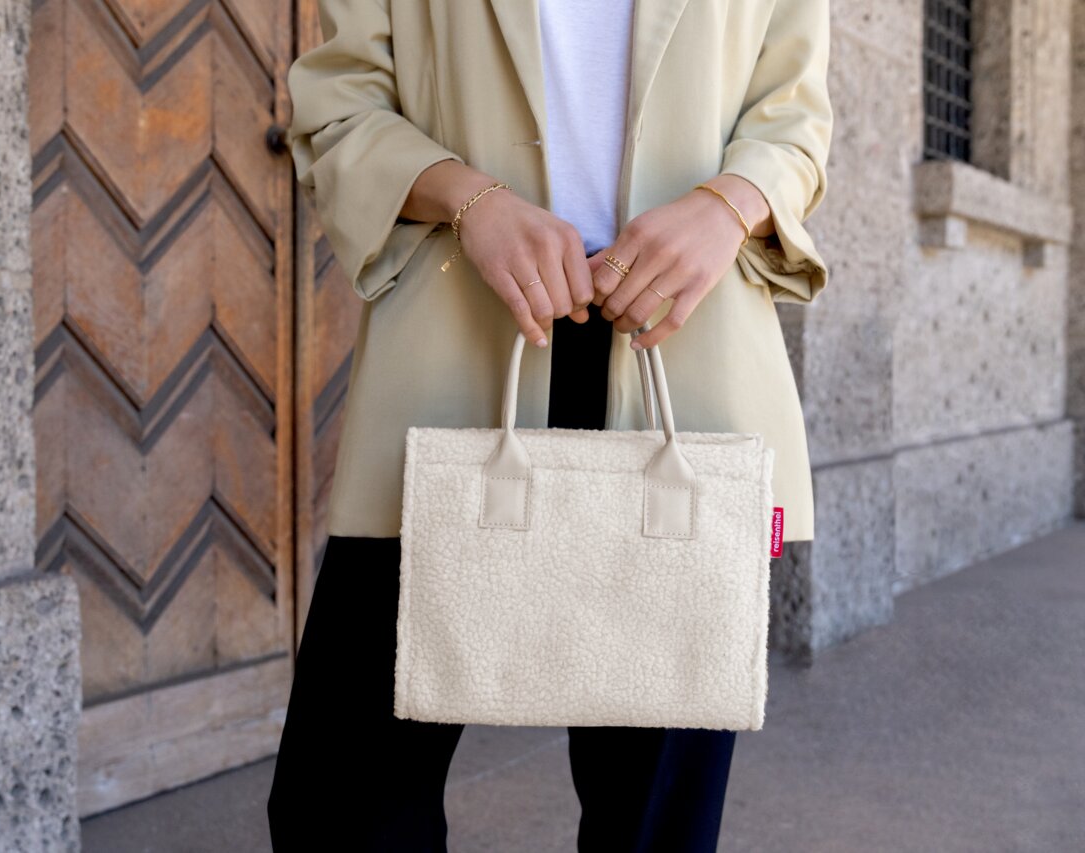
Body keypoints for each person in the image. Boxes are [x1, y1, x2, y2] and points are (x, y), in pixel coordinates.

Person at [269, 1, 833, 850]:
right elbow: (339, 104)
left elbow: (794, 118)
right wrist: (471, 200)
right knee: (340, 795)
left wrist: (727, 207)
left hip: (679, 363)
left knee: (652, 820)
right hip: (456, 357)